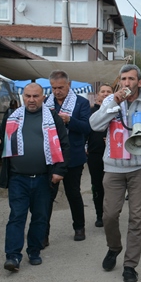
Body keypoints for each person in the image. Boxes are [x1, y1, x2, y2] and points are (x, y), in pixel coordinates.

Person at [89, 64, 141, 282]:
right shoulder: (110, 102)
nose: (127, 83)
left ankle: (130, 265)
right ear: (119, 81)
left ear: (138, 82)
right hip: (113, 167)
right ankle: (114, 247)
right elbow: (94, 125)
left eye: (131, 79)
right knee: (110, 215)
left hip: (140, 168)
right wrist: (113, 104)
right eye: (123, 79)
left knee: (136, 217)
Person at [0, 83, 70, 272]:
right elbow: (1, 142)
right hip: (18, 178)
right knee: (17, 216)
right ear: (22, 97)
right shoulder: (12, 117)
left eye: (35, 96)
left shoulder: (53, 118)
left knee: (40, 217)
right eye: (28, 96)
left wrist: (59, 171)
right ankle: (13, 256)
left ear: (43, 97)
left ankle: (34, 251)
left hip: (44, 178)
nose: (31, 100)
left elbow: (64, 146)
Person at [45, 70, 91, 244]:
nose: (57, 91)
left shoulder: (81, 103)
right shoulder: (46, 103)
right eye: (54, 88)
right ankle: (43, 233)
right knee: (48, 195)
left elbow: (87, 128)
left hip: (73, 155)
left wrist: (69, 120)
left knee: (73, 194)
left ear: (69, 85)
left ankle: (79, 227)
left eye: (61, 87)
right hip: (51, 156)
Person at [87, 83, 113, 228]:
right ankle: (99, 214)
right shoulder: (91, 112)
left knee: (113, 187)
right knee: (97, 186)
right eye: (102, 91)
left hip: (113, 155)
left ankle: (112, 213)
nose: (105, 94)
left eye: (108, 91)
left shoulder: (116, 111)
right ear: (98, 95)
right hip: (95, 154)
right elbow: (86, 131)